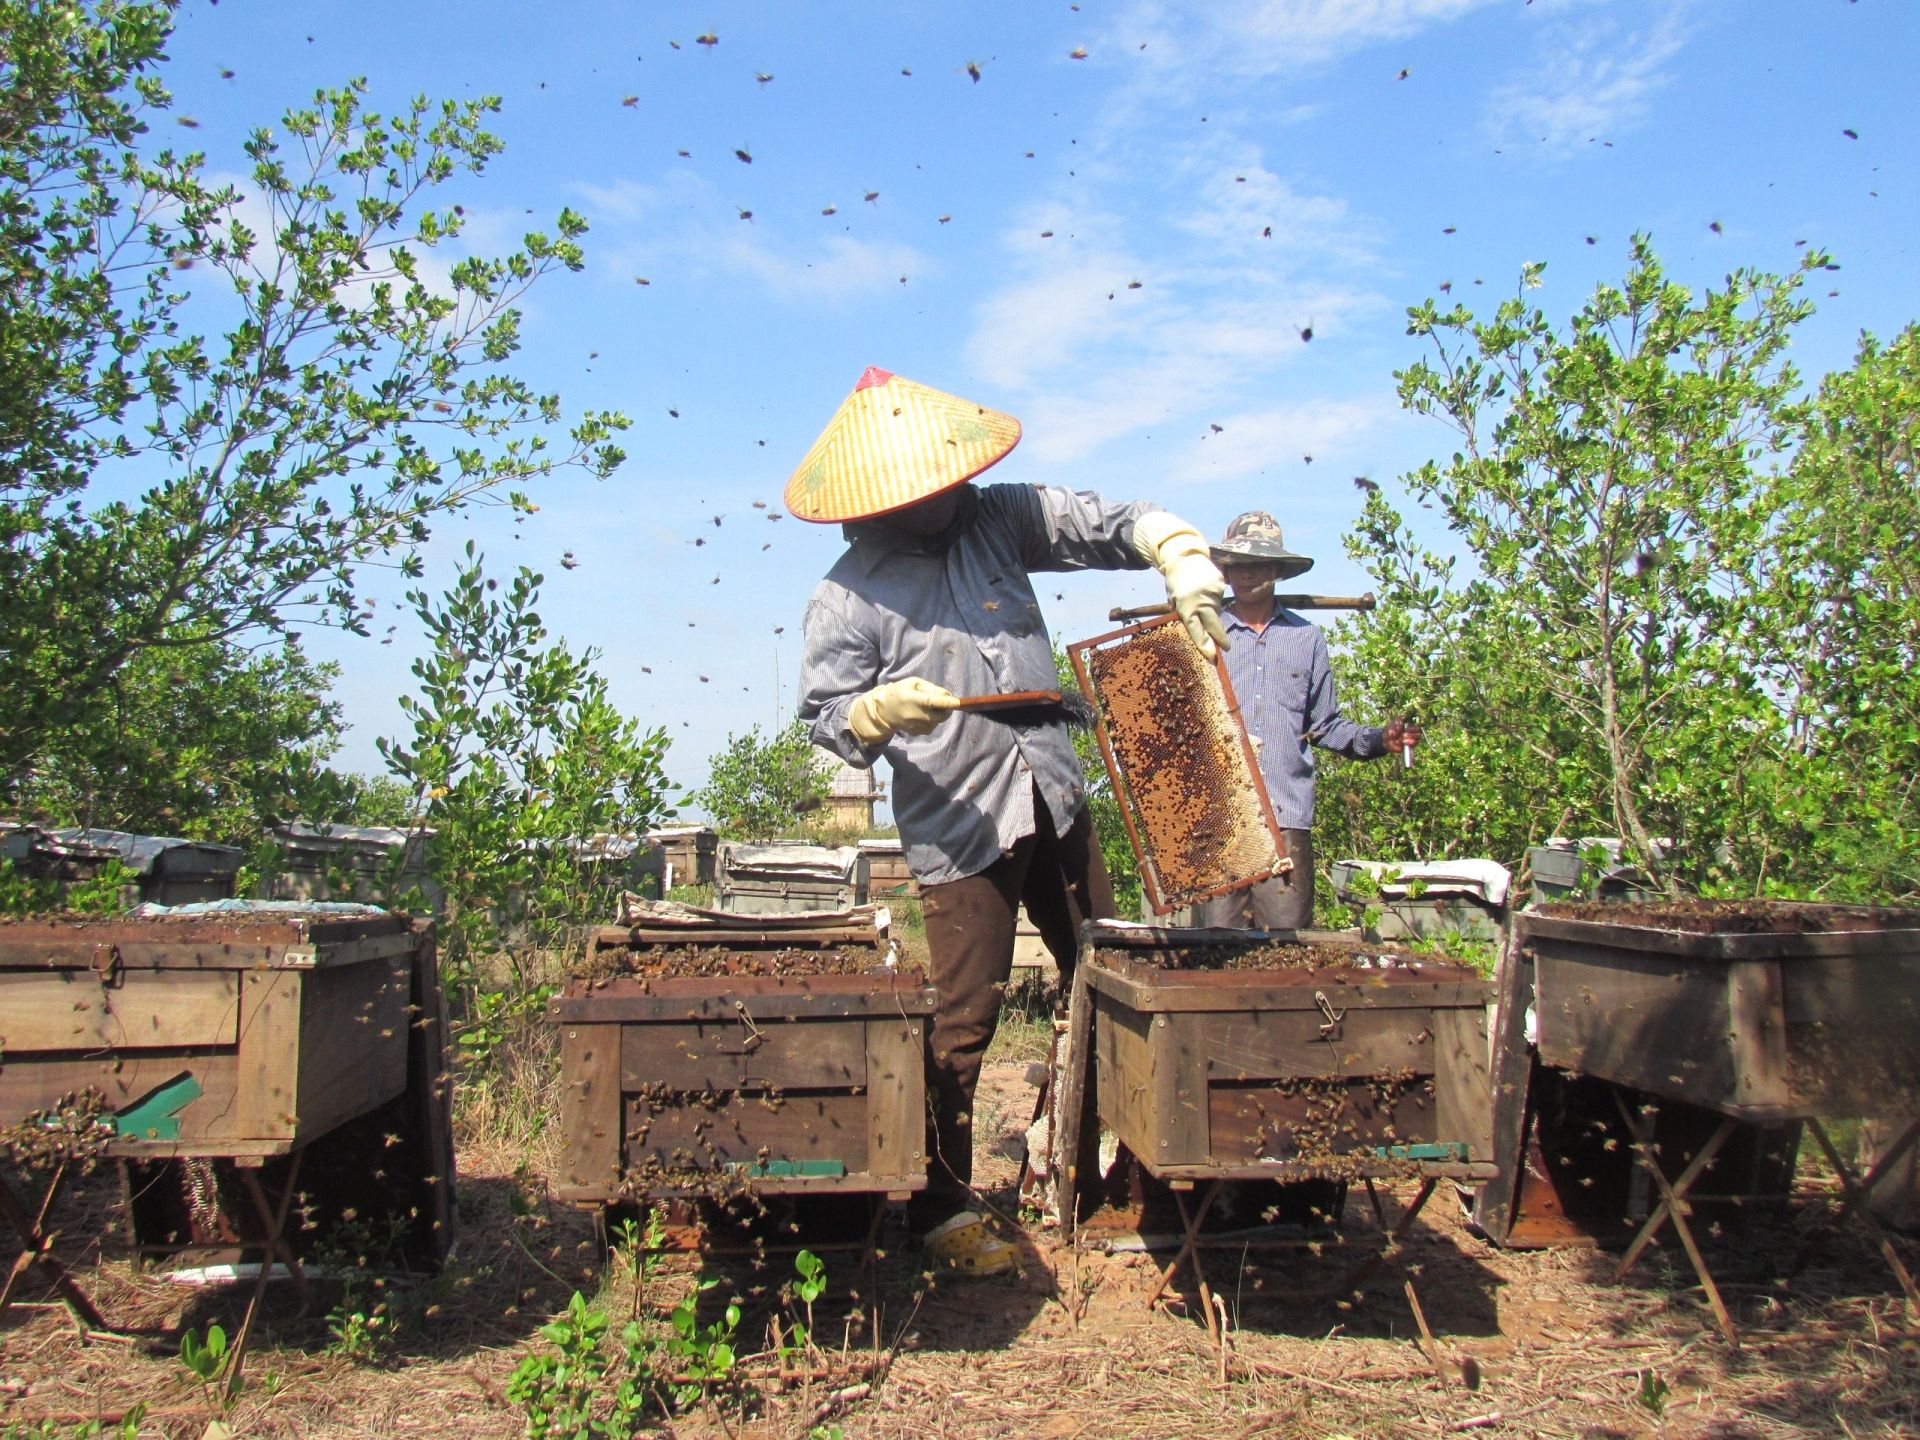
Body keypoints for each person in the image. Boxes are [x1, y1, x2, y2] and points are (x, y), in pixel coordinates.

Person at [789, 366, 1227, 1275]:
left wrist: (1178, 549)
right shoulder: (847, 596)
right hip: (961, 822)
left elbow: (1105, 521)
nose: (949, 496)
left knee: (1112, 979)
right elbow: (825, 716)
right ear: (884, 497)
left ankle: (1102, 1163)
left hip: (1055, 791)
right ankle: (941, 1209)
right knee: (962, 1022)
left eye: (952, 480)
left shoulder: (998, 518)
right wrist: (873, 712)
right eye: (929, 489)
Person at [1189, 510, 1420, 930]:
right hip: (1219, 820)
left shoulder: (1305, 638)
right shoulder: (1200, 634)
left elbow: (1326, 726)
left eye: (1258, 564)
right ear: (1224, 571)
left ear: (1277, 570)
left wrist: (1379, 740)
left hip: (1286, 819)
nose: (1247, 574)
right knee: (1214, 947)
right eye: (1237, 564)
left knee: (1287, 945)